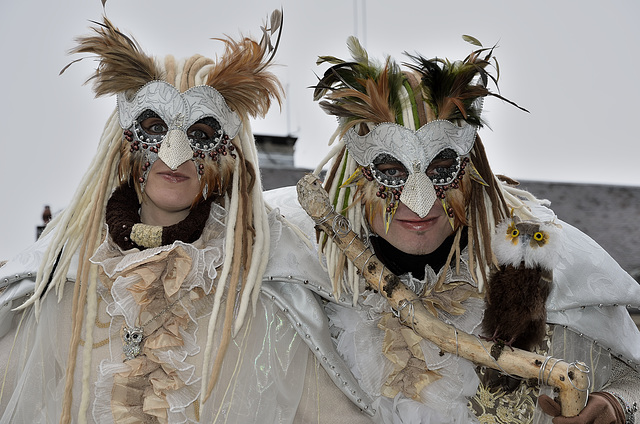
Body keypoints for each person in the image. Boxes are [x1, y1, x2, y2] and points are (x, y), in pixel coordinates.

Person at [263, 36, 640, 423]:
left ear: (471, 173)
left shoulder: (544, 271)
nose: (420, 200)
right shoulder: (303, 272)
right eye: (390, 171)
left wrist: (616, 406)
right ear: (356, 178)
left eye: (442, 168)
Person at [0, 11, 320, 423]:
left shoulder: (261, 282)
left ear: (227, 152)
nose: (176, 153)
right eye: (154, 127)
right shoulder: (70, 277)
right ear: (126, 142)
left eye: (201, 135)